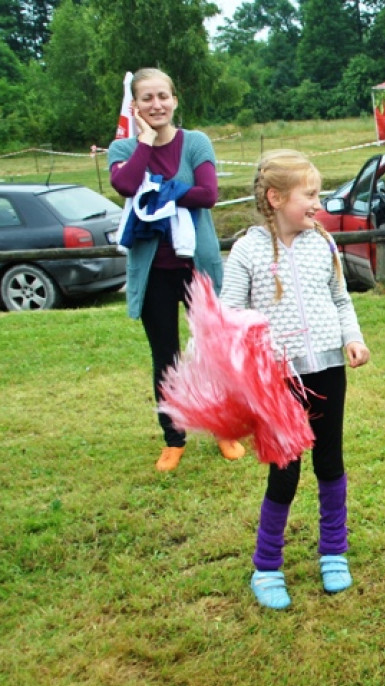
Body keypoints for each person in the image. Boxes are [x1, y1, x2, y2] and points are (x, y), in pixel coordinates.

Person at [220, 149, 371, 610]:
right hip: (278, 379)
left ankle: (334, 553)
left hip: (327, 369)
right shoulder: (247, 250)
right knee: (284, 473)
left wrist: (353, 338)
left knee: (330, 462)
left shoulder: (322, 243)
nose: (317, 203)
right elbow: (229, 314)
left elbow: (340, 300)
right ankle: (267, 566)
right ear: (276, 197)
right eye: (309, 194)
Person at [108, 68, 245, 472]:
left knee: (212, 351)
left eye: (163, 96)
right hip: (154, 272)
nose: (157, 105)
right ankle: (173, 437)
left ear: (174, 100)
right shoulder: (123, 150)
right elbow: (129, 186)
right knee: (165, 355)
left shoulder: (196, 143)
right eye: (147, 98)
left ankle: (224, 428)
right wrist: (146, 143)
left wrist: (166, 190)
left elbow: (208, 194)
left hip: (197, 266)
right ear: (136, 106)